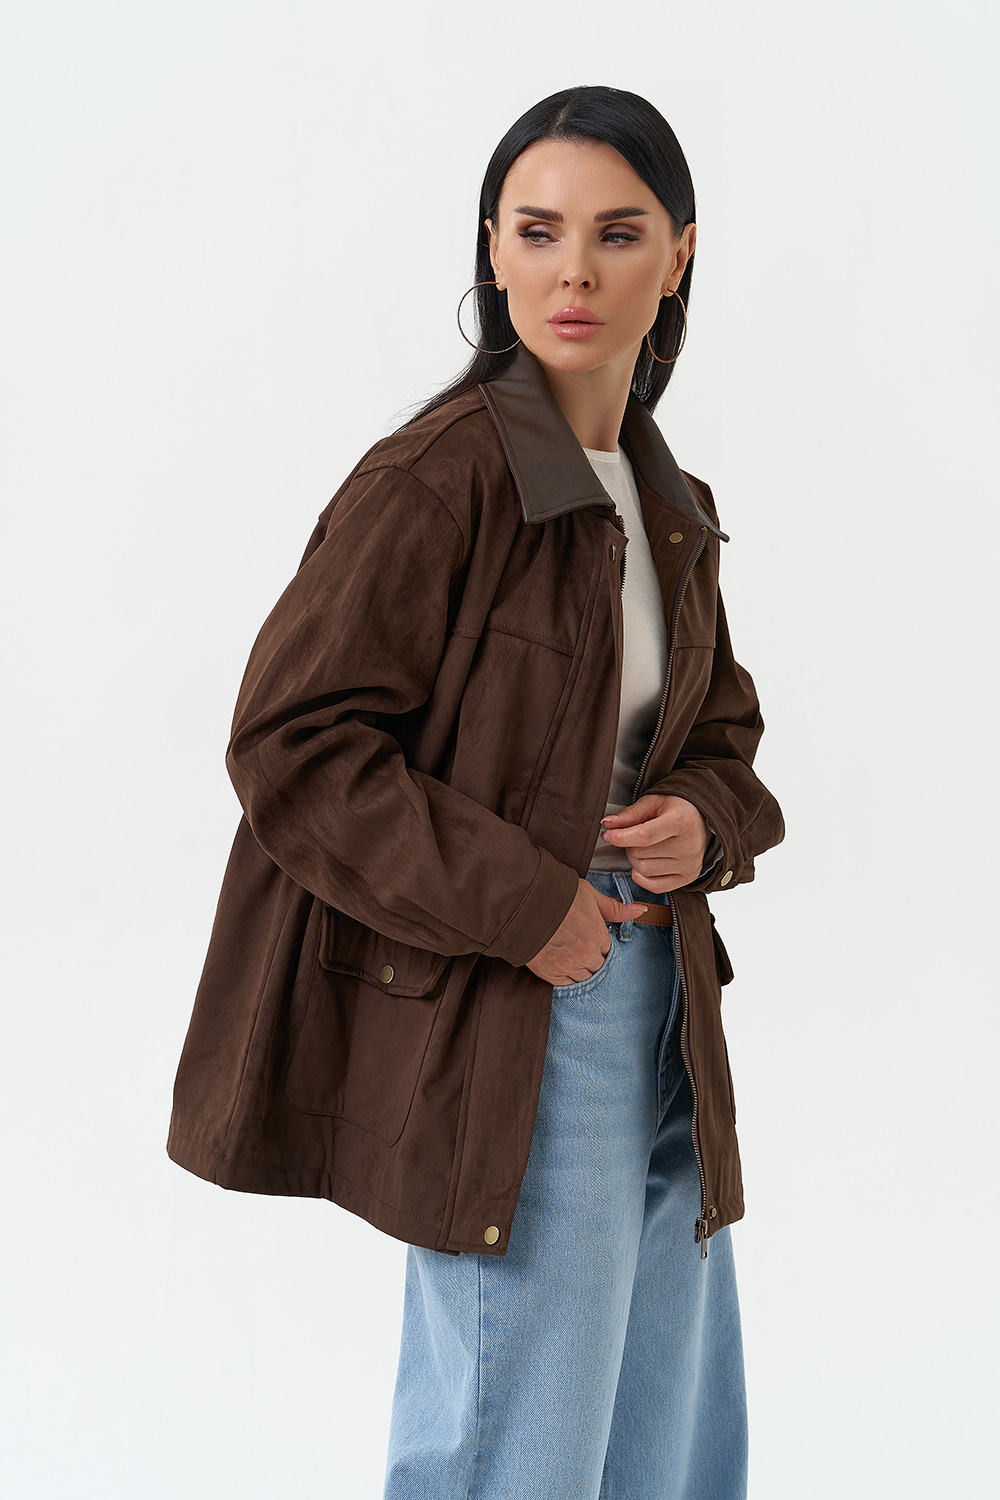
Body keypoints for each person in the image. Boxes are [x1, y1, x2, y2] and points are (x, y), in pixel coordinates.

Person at [166, 84, 784, 1500]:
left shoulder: (662, 497)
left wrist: (704, 818)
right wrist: (526, 907)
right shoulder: (441, 480)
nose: (575, 270)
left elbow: (726, 728)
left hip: (662, 991)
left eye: (618, 233)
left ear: (678, 256)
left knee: (666, 1424)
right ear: (493, 251)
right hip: (518, 989)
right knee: (521, 1427)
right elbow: (293, 743)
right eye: (539, 230)